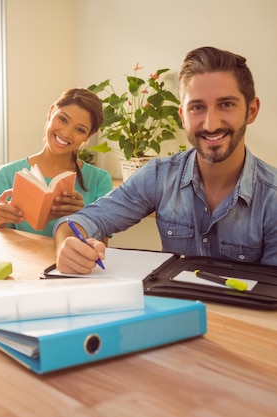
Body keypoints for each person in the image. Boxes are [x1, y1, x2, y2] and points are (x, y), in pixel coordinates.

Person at [54, 46, 277, 273]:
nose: (211, 124)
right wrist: (67, 243)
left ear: (251, 110)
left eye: (226, 104)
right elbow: (83, 221)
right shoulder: (159, 175)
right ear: (182, 116)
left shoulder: (273, 196)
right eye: (197, 107)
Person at [0, 88, 113, 237]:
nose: (66, 133)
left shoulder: (99, 180)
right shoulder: (6, 174)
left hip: (70, 261)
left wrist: (84, 218)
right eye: (63, 119)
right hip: (21, 260)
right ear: (51, 112)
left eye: (80, 130)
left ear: (88, 136)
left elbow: (103, 246)